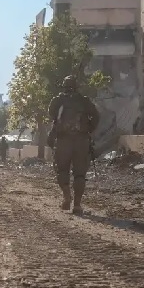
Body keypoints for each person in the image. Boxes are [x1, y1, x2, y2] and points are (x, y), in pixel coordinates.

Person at [48, 74, 100, 215]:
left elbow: (51, 115)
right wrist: (88, 129)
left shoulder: (57, 100)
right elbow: (96, 116)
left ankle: (66, 197)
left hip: (63, 141)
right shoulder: (84, 101)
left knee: (62, 170)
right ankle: (77, 205)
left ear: (64, 86)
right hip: (81, 141)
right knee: (80, 174)